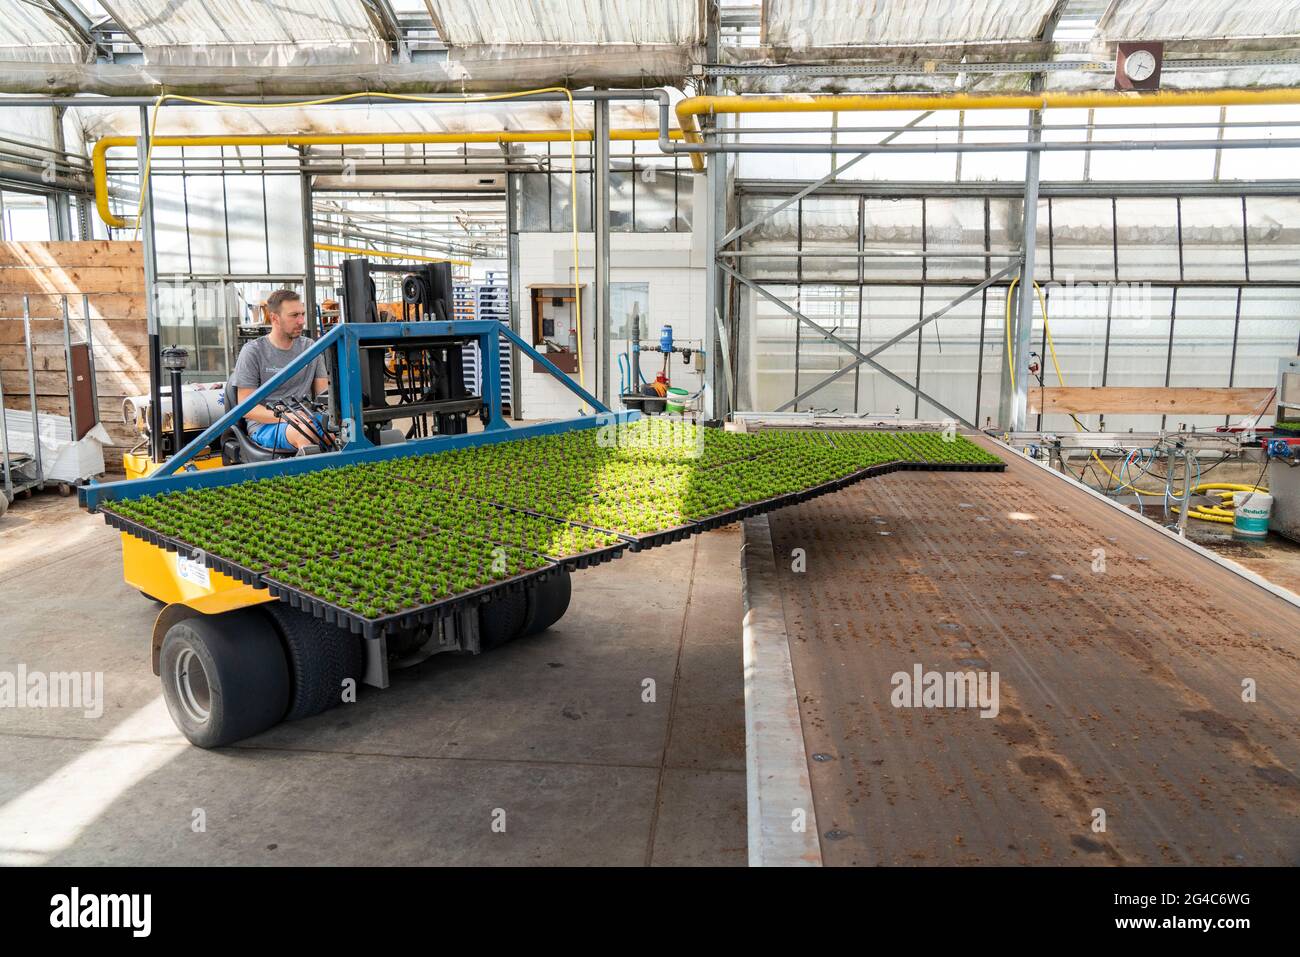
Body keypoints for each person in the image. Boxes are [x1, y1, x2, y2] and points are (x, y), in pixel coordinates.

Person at [230, 289, 329, 451]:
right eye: (294, 315)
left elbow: (323, 395)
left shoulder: (310, 347)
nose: (301, 321)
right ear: (275, 318)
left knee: (342, 432)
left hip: (306, 417)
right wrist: (286, 417)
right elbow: (246, 408)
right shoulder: (253, 352)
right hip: (268, 423)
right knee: (305, 434)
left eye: (302, 314)